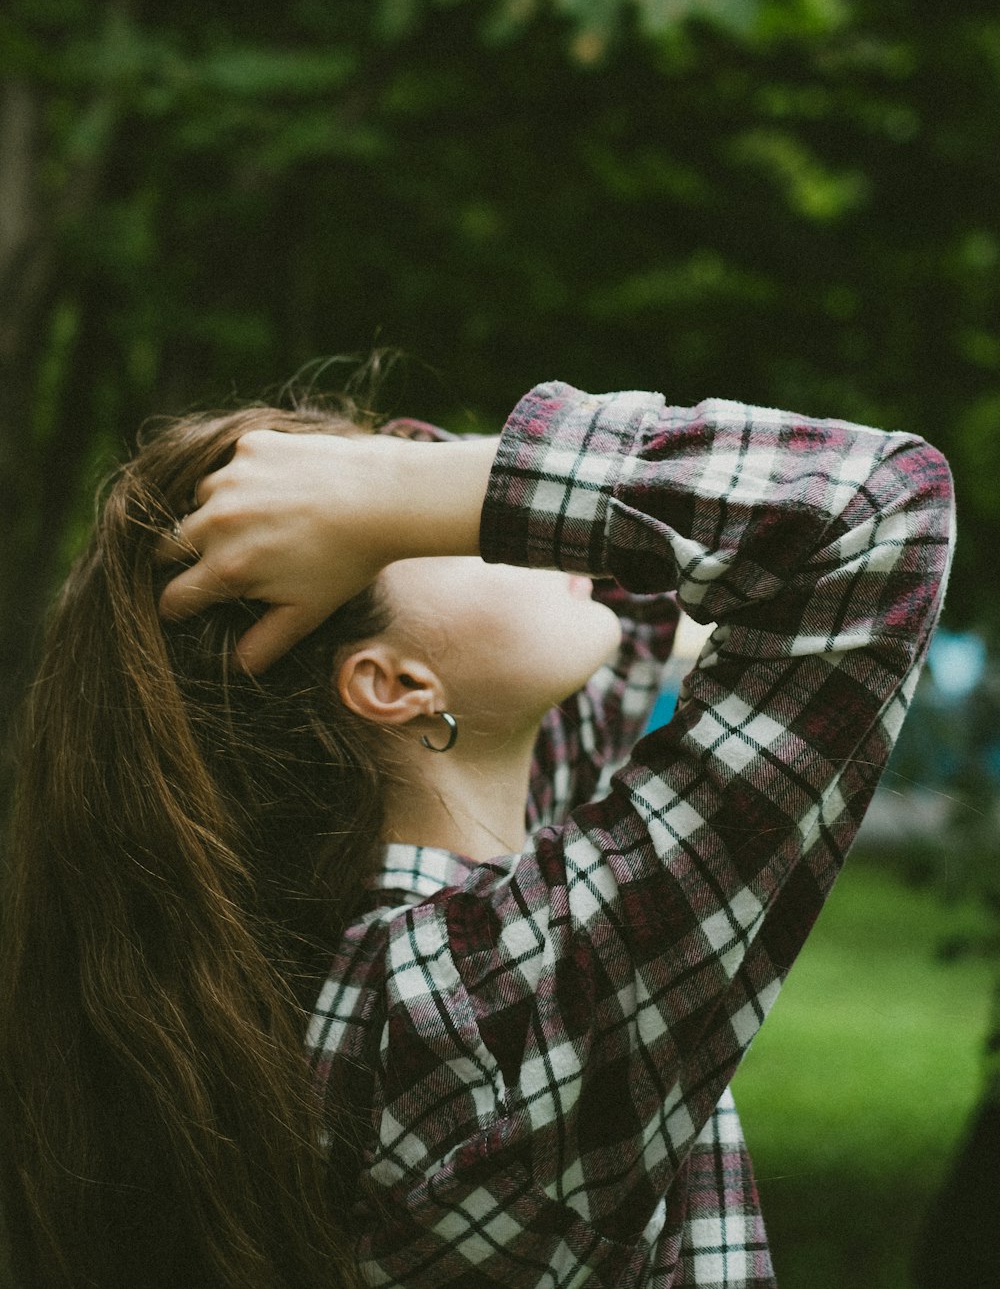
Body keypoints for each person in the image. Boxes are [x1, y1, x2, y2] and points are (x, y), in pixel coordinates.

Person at [0, 375, 954, 1289]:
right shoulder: (462, 1020)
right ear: (395, 687)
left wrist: (390, 488)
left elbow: (635, 569)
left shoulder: (493, 855)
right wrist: (406, 489)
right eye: (401, 525)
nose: (460, 513)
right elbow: (867, 513)